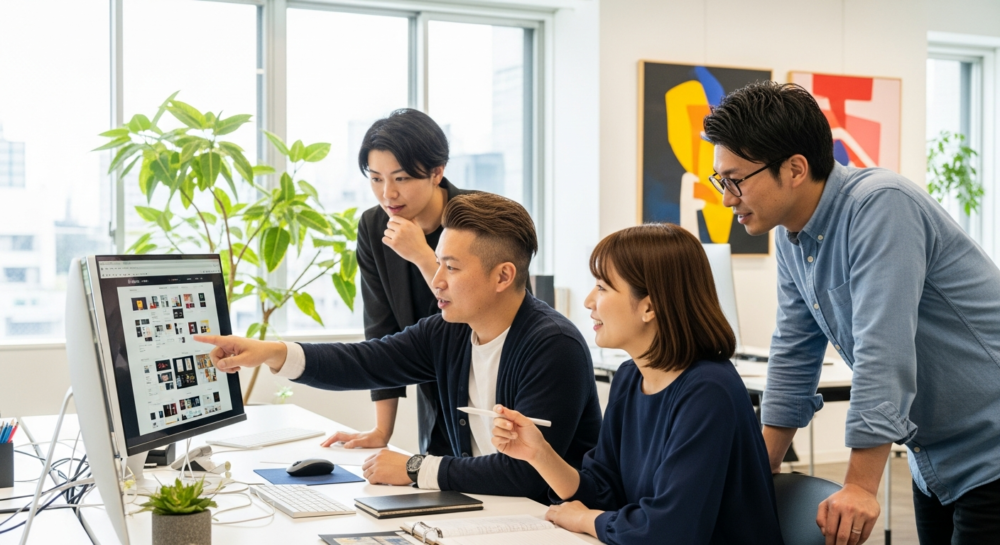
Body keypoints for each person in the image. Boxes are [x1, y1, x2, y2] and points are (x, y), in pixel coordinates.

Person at [702, 81, 1000, 545]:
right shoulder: (790, 235)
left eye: (736, 180)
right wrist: (763, 466)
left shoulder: (881, 206)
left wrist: (860, 484)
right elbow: (794, 352)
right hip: (934, 458)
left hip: (990, 449)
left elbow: (885, 350)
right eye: (722, 181)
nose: (726, 197)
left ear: (795, 168)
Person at [195, 193, 602, 502]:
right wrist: (271, 352)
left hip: (542, 523)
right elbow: (367, 361)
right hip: (483, 510)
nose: (437, 280)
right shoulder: (450, 331)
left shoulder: (552, 347)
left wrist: (414, 467)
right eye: (438, 262)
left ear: (503, 276)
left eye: (453, 267)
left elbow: (526, 475)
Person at [491, 224, 783, 544]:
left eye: (602, 287)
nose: (589, 301)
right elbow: (604, 491)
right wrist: (539, 454)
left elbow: (669, 531)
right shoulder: (631, 377)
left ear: (649, 306)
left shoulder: (708, 392)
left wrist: (588, 519)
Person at [323, 108, 471, 457]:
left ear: (437, 172)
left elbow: (484, 317)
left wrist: (422, 255)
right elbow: (381, 329)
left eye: (401, 179)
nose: (387, 193)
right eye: (376, 178)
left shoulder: (479, 218)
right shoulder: (375, 227)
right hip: (434, 393)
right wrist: (381, 430)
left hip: (491, 389)